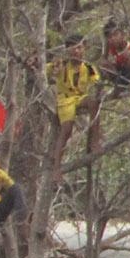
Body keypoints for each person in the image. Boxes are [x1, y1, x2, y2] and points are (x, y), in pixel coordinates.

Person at [48, 32, 100, 170]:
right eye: (73, 48)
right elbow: (47, 69)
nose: (77, 51)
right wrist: (52, 69)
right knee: (66, 130)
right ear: (68, 50)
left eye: (79, 48)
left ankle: (95, 140)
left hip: (80, 97)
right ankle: (56, 168)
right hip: (65, 100)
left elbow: (97, 81)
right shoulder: (62, 64)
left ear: (84, 49)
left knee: (93, 102)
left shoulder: (88, 67)